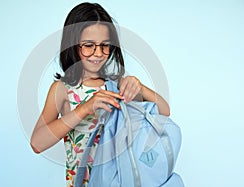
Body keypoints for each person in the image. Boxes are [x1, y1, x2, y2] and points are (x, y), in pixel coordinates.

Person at [30, 2, 170, 187]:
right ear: (72, 44)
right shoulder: (62, 89)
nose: (98, 53)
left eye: (105, 46)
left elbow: (164, 111)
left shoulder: (117, 85)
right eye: (88, 45)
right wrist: (85, 108)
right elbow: (37, 144)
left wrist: (141, 88)